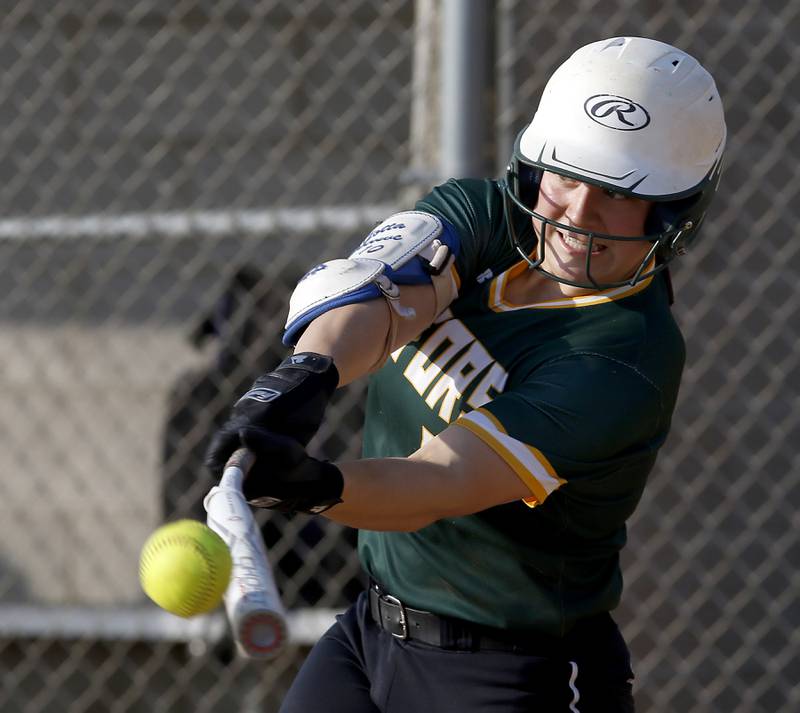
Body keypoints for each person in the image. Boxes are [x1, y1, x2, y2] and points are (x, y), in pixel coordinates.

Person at [205, 36, 726, 712]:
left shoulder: (624, 356)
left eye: (616, 194)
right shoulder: (487, 218)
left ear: (669, 214)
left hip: (510, 672)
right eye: (567, 173)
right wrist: (310, 373)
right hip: (371, 629)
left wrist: (315, 485)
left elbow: (439, 480)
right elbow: (381, 301)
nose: (579, 213)